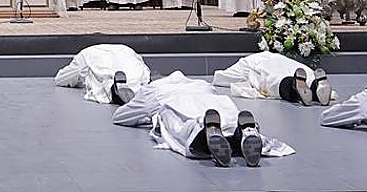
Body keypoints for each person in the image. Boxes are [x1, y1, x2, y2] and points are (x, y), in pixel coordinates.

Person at [111, 71, 294, 167]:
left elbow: (120, 116)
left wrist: (147, 115)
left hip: (176, 102)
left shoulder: (152, 90)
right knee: (225, 116)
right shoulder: (199, 83)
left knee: (181, 124)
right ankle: (244, 131)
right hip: (212, 100)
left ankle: (203, 130)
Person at [212, 51, 332, 105]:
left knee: (270, 80)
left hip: (261, 65)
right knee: (302, 73)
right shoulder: (273, 55)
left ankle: (293, 87)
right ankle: (315, 86)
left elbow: (223, 78)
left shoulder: (245, 63)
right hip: (286, 62)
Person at [54, 43, 149, 105]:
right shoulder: (127, 49)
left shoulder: (84, 54)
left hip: (93, 56)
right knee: (136, 75)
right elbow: (144, 68)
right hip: (126, 52)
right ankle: (136, 87)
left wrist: (80, 81)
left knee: (103, 74)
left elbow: (62, 79)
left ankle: (112, 88)